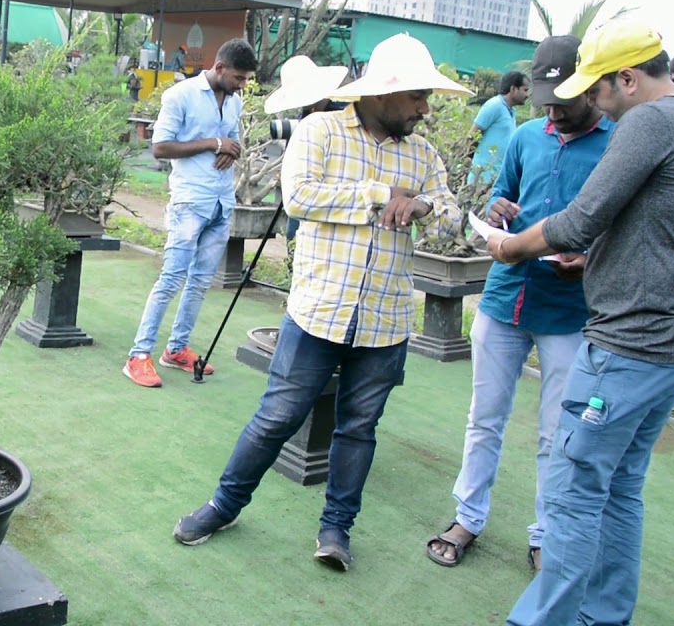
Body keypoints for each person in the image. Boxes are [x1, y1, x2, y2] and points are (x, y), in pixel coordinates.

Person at [172, 34, 468, 571]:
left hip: (386, 320)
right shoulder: (320, 130)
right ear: (383, 94)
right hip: (318, 312)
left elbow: (451, 215)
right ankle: (223, 505)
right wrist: (377, 195)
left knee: (358, 429)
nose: (426, 109)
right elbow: (302, 197)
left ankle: (336, 530)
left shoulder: (423, 154)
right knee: (275, 418)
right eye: (419, 97)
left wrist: (423, 201)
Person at [486, 22, 674, 625]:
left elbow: (579, 219)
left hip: (633, 344)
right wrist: (600, 262)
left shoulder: (649, 121)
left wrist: (510, 247)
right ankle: (605, 615)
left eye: (595, 91)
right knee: (620, 486)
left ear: (627, 79)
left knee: (574, 491)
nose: (589, 104)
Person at [426, 35, 615, 571]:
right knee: (484, 418)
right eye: (544, 99)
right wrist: (499, 208)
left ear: (592, 87)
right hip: (505, 296)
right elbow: (500, 199)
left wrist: (591, 255)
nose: (552, 109)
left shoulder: (618, 143)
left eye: (563, 99)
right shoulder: (528, 136)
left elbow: (623, 227)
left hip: (569, 310)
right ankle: (468, 517)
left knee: (558, 432)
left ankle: (545, 533)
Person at [123, 38, 258, 387]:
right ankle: (138, 355)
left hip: (221, 201)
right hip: (189, 201)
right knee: (171, 279)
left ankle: (176, 349)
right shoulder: (179, 96)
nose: (242, 86)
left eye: (246, 80)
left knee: (199, 283)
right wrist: (214, 144)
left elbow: (230, 139)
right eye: (239, 78)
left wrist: (232, 148)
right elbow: (160, 148)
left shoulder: (234, 101)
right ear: (220, 68)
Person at [263, 55, 350, 247]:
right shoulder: (305, 115)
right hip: (303, 189)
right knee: (293, 236)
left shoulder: (342, 114)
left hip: (332, 192)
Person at [471, 70, 530, 183]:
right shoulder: (494, 105)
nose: (527, 95)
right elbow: (474, 134)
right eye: (525, 90)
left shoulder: (510, 111)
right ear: (513, 89)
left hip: (497, 177)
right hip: (483, 176)